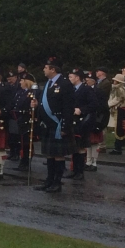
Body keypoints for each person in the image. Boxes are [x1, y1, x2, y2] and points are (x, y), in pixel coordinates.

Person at [32, 57, 75, 193]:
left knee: (58, 155)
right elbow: (46, 103)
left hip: (58, 124)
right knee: (49, 154)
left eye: (46, 67)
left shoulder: (65, 84)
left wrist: (65, 127)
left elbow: (68, 108)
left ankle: (57, 182)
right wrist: (36, 105)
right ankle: (49, 180)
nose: (44, 69)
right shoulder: (48, 83)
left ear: (53, 69)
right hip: (47, 125)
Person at [64, 68, 99, 181]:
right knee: (74, 146)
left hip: (83, 121)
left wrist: (81, 110)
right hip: (72, 121)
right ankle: (74, 170)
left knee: (81, 147)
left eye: (71, 77)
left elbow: (94, 104)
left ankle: (80, 171)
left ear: (77, 77)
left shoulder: (86, 89)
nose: (69, 79)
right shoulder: (70, 90)